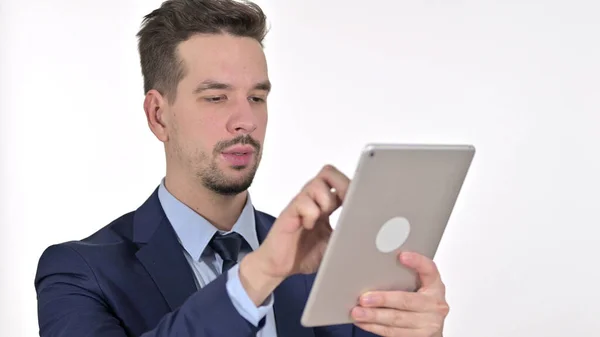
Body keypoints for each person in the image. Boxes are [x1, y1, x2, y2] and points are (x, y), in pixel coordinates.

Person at [34, 0, 450, 336]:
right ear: (159, 115)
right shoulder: (78, 273)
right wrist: (259, 273)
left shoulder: (330, 267)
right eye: (216, 98)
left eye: (256, 97)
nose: (245, 121)